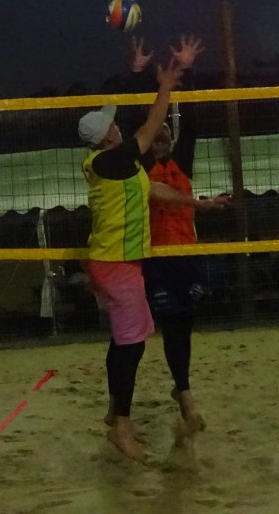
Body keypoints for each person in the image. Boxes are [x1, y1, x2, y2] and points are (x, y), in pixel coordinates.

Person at [78, 50, 226, 463]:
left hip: (123, 262)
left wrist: (199, 205)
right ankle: (121, 427)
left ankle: (116, 413)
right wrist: (164, 86)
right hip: (117, 264)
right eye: (112, 126)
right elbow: (148, 127)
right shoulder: (111, 160)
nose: (117, 126)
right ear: (108, 137)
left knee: (129, 339)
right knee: (132, 346)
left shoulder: (119, 165)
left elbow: (156, 190)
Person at [116, 33, 218, 434]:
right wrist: (138, 75)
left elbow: (192, 121)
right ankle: (131, 403)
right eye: (155, 134)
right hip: (154, 258)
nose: (160, 137)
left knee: (182, 326)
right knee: (154, 328)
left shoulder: (181, 164)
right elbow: (133, 123)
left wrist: (185, 70)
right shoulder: (140, 167)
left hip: (186, 256)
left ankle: (183, 390)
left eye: (164, 134)